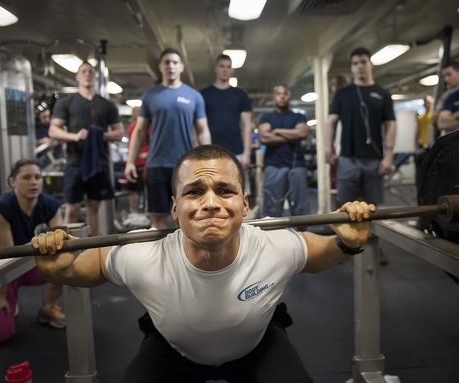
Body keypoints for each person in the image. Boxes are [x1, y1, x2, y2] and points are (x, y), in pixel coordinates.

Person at [32, 144, 375, 383]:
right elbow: (96, 265)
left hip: (256, 346)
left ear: (245, 204)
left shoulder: (271, 243)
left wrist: (346, 241)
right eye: (194, 192)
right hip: (173, 351)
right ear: (174, 208)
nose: (210, 203)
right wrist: (63, 269)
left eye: (224, 191)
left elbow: (316, 252)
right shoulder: (146, 253)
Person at [0, 159, 65, 344]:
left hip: (34, 265)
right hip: (4, 271)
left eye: (37, 177)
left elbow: (59, 247)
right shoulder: (0, 210)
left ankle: (47, 309)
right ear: (12, 182)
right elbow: (6, 257)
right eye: (26, 177)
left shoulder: (51, 205)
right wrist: (1, 296)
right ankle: (9, 298)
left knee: (66, 264)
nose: (33, 182)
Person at [124, 48, 211, 229]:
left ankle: (184, 257)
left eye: (174, 62)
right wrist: (130, 162)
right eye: (166, 62)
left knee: (186, 217)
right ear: (160, 67)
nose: (170, 66)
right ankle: (163, 258)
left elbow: (202, 130)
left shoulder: (194, 96)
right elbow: (139, 131)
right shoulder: (150, 96)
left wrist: (209, 161)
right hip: (156, 165)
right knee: (158, 219)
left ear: (181, 67)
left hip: (185, 166)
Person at [49, 62, 124, 236]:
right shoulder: (66, 102)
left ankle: (93, 249)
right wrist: (75, 136)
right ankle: (69, 249)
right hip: (75, 161)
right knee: (72, 208)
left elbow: (119, 132)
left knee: (94, 207)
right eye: (83, 71)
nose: (87, 74)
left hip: (99, 162)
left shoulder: (107, 105)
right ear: (77, 76)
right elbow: (53, 130)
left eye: (91, 71)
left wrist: (100, 135)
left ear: (95, 76)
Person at [326, 47, 396, 207]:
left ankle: (371, 233)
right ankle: (344, 233)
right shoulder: (342, 94)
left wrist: (389, 156)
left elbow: (391, 124)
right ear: (352, 67)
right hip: (347, 159)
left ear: (370, 64)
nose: (359, 66)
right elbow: (330, 122)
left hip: (373, 159)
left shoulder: (382, 94)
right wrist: (327, 149)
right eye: (355, 63)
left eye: (363, 62)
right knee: (344, 206)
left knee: (372, 207)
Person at [200, 54, 253, 192]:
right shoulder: (204, 95)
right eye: (222, 66)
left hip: (236, 152)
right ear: (215, 68)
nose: (225, 70)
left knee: (239, 193)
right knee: (212, 192)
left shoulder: (240, 95)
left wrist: (247, 153)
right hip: (211, 154)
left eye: (228, 67)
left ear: (232, 70)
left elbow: (247, 125)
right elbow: (198, 127)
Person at [258, 84, 310, 217]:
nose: (282, 96)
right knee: (272, 210)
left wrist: (276, 131)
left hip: (297, 166)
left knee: (300, 210)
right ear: (274, 97)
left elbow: (302, 133)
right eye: (278, 94)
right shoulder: (267, 117)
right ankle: (271, 238)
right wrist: (292, 136)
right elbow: (264, 137)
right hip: (273, 167)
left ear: (289, 96)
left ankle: (302, 237)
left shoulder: (299, 116)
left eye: (285, 93)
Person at [123, 106, 150, 228]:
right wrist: (130, 160)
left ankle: (145, 212)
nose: (137, 115)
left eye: (139, 112)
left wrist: (148, 154)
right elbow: (130, 144)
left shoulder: (148, 127)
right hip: (134, 162)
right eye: (135, 113)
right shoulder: (131, 127)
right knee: (132, 189)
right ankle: (133, 212)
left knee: (144, 189)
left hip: (145, 163)